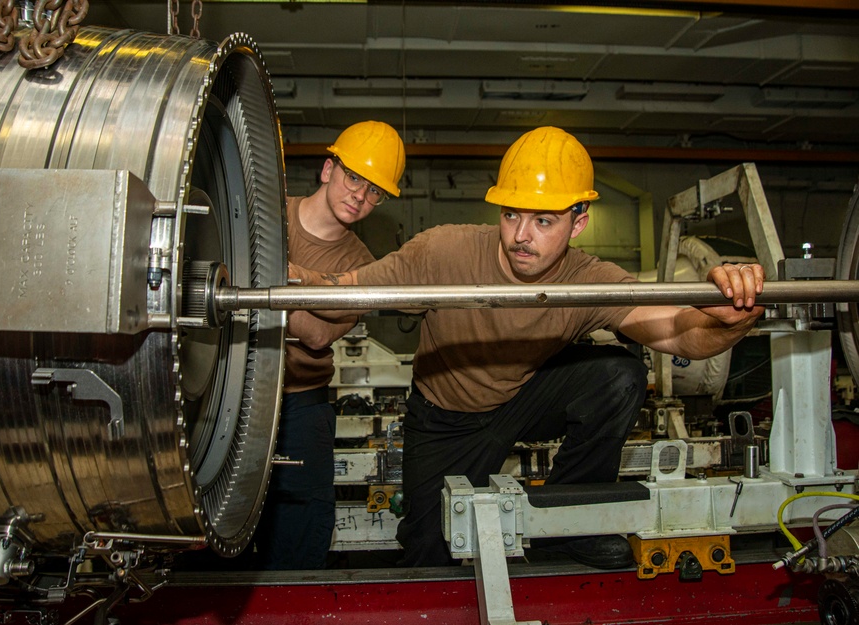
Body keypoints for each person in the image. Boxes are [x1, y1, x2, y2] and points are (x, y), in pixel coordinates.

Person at [289, 126, 764, 569]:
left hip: (521, 400)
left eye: (543, 220)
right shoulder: (442, 252)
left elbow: (681, 333)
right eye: (511, 214)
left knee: (620, 375)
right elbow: (347, 288)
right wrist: (292, 279)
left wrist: (733, 317)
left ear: (578, 223)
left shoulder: (587, 280)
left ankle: (570, 519)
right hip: (444, 420)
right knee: (427, 554)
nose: (521, 235)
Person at [254, 121, 406, 569]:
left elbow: (321, 335)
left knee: (300, 528)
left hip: (301, 405)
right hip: (234, 398)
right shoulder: (265, 216)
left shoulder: (360, 264)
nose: (360, 195)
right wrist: (301, 304)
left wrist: (268, 280)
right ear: (328, 169)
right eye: (353, 177)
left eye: (375, 190)